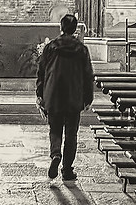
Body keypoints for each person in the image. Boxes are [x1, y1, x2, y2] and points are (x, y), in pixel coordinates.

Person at [35, 13, 96, 182]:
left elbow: (41, 72)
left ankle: (56, 154)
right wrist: (88, 98)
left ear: (60, 27)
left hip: (53, 94)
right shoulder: (81, 49)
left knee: (55, 129)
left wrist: (40, 95)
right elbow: (88, 75)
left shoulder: (51, 47)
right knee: (71, 134)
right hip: (74, 96)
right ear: (75, 29)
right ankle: (67, 169)